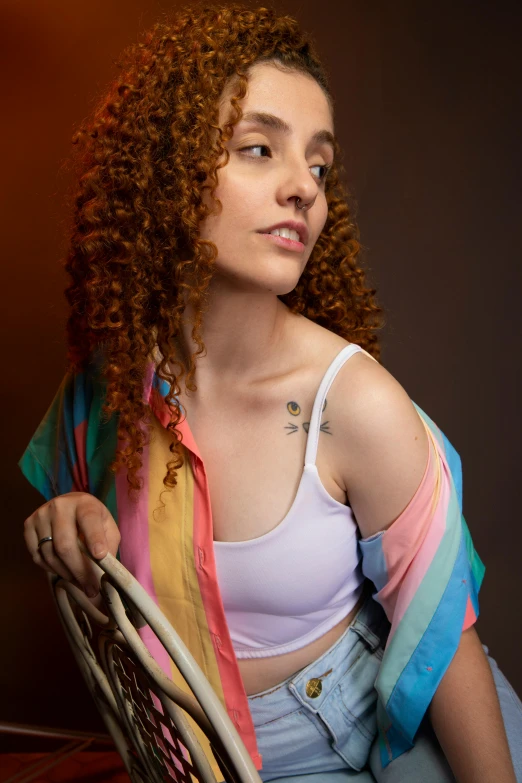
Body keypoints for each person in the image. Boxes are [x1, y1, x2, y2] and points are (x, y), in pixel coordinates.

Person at [19, 4, 522, 782]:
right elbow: (104, 548)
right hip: (205, 754)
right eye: (259, 149)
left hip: (388, 733)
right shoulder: (108, 388)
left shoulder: (353, 404)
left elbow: (444, 642)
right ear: (166, 167)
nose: (304, 189)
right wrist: (72, 518)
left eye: (319, 166)